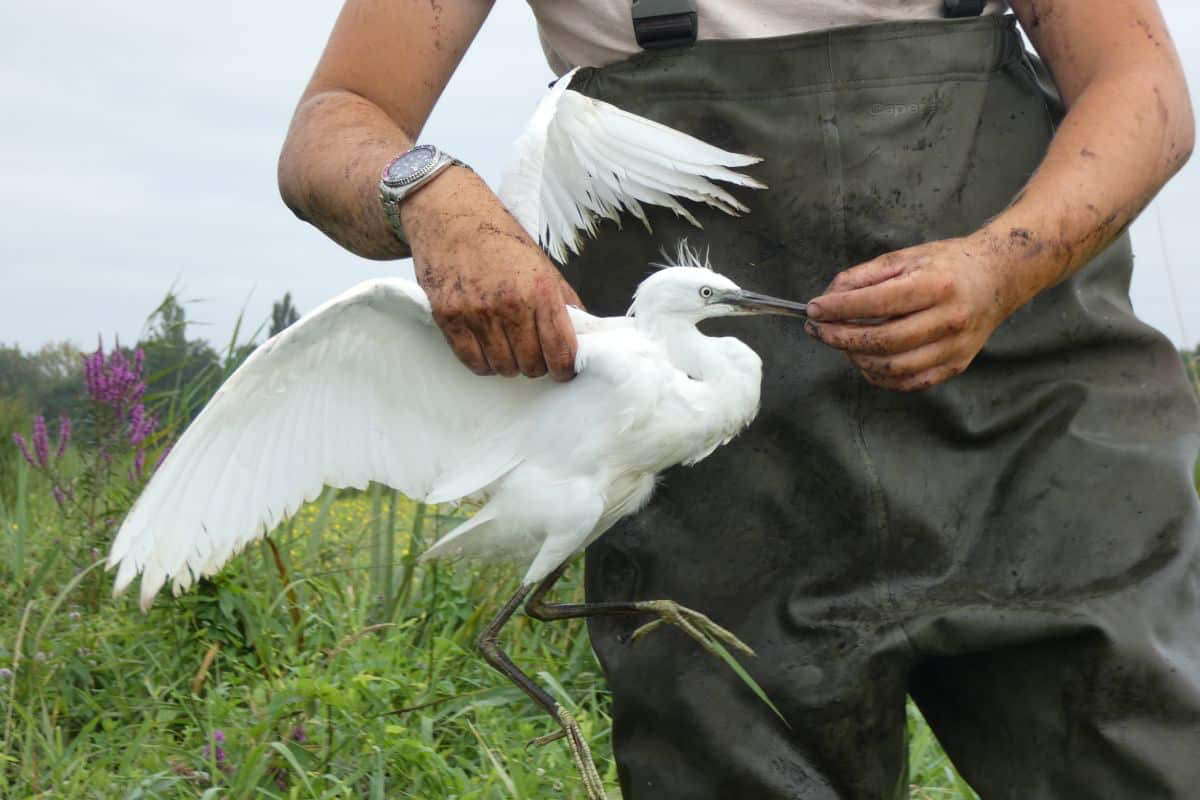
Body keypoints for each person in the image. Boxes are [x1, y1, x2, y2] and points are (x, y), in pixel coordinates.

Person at [278, 1, 1200, 798]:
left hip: (1033, 427)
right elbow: (335, 121)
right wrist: (429, 197)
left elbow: (1142, 87)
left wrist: (1000, 266)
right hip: (706, 496)